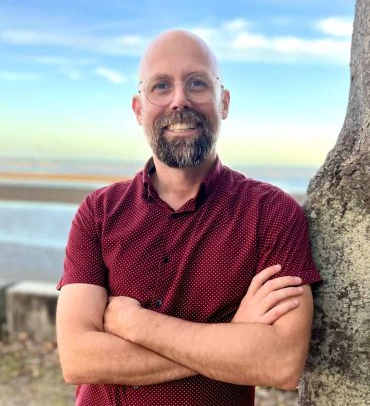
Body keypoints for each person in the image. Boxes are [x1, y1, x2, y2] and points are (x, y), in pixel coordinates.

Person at [56, 29, 322, 405]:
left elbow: (280, 363)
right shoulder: (99, 212)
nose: (179, 100)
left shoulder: (273, 214)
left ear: (223, 102)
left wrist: (137, 325)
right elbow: (78, 358)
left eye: (197, 84)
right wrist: (233, 338)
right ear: (139, 109)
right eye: (161, 87)